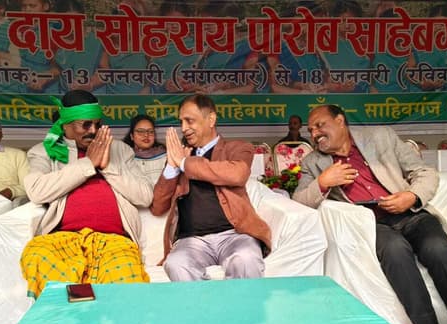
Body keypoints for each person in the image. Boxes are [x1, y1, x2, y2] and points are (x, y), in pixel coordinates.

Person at [293, 104, 447, 324]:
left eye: (320, 125)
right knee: (396, 252)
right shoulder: (313, 163)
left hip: (410, 213)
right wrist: (323, 182)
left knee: (439, 250)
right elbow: (298, 203)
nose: (314, 133)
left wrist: (411, 196)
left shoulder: (381, 137)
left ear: (340, 120)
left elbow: (425, 172)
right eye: (310, 130)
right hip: (371, 224)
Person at [21, 90, 153, 297]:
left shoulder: (119, 150)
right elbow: (37, 191)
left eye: (97, 124)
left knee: (126, 284)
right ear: (66, 125)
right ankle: (76, 314)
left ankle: (104, 316)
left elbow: (145, 196)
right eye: (86, 125)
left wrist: (107, 166)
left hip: (113, 240)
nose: (93, 131)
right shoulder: (45, 151)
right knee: (38, 255)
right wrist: (88, 164)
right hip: (63, 238)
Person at [150, 94, 271, 281]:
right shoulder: (179, 156)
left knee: (246, 259)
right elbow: (158, 207)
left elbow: (237, 174)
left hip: (235, 235)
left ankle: (244, 302)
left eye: (189, 121)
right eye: (181, 122)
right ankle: (204, 302)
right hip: (192, 240)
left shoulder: (237, 147)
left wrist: (184, 163)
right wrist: (172, 167)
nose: (184, 128)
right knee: (175, 264)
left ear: (211, 119)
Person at [122, 114, 166, 185]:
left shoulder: (165, 157)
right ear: (132, 136)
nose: (146, 135)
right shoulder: (125, 158)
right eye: (140, 131)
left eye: (150, 131)